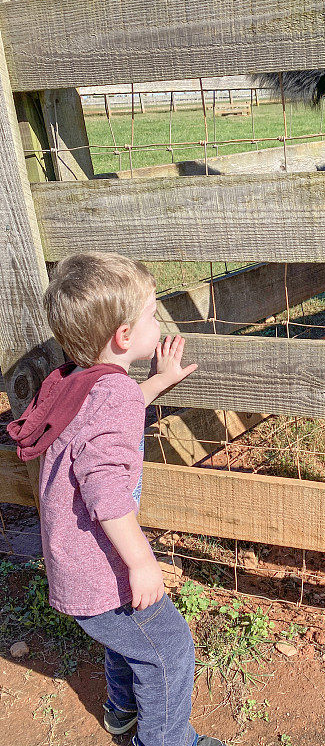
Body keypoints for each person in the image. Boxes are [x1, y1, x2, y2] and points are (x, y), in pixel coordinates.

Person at [8, 251, 225, 746]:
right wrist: (143, 563)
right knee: (167, 649)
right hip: (105, 567)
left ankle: (123, 711)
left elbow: (105, 418)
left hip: (76, 566)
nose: (158, 320)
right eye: (151, 313)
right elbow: (108, 497)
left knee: (129, 640)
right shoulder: (114, 397)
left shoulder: (76, 381)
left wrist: (158, 382)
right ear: (124, 337)